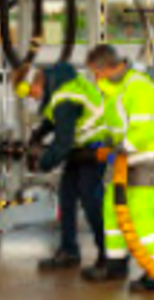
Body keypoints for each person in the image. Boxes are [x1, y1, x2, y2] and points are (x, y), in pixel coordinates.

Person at [89, 43, 154, 293]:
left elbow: (144, 128)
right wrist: (104, 140)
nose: (94, 77)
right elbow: (114, 122)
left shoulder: (138, 87)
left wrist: (121, 147)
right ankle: (116, 263)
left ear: (108, 68)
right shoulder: (112, 88)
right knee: (111, 209)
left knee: (139, 212)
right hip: (124, 157)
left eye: (96, 71)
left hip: (147, 155)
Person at [29, 57, 111, 274]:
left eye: (34, 91)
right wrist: (39, 134)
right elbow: (53, 119)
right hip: (79, 148)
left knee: (91, 200)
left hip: (94, 149)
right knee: (66, 198)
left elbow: (63, 143)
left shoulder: (65, 97)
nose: (33, 96)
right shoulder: (61, 88)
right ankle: (69, 251)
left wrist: (42, 162)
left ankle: (109, 254)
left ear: (42, 83)